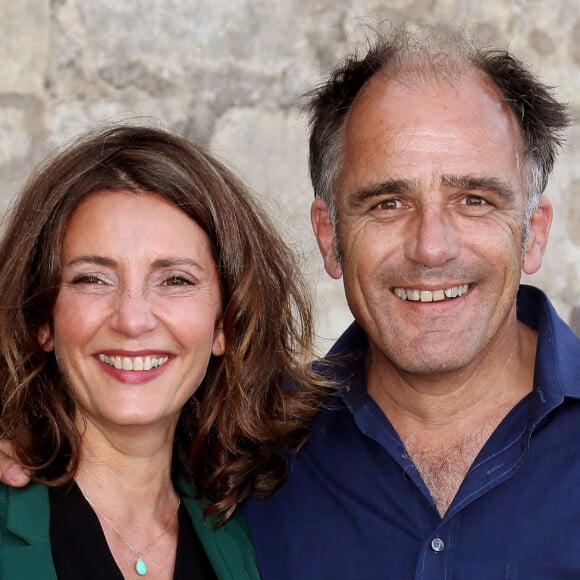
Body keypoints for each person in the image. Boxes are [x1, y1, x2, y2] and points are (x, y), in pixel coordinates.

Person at [238, 23, 580, 579]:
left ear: (533, 232)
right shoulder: (248, 447)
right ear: (330, 238)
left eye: (474, 199)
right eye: (388, 203)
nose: (430, 247)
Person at [0, 124, 328, 579]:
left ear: (224, 325)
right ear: (42, 322)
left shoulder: (249, 533)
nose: (132, 320)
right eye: (92, 279)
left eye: (175, 280)